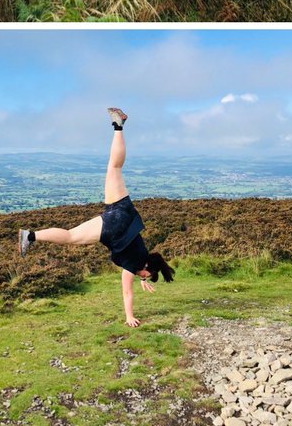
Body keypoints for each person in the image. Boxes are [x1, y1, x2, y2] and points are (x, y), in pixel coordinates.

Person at [18, 108, 175, 327]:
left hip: (124, 210)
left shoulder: (144, 255)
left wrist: (143, 276)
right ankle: (30, 236)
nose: (143, 277)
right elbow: (127, 293)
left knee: (115, 167)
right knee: (71, 236)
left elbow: (144, 265)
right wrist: (129, 316)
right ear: (147, 269)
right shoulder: (133, 264)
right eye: (146, 276)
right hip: (114, 226)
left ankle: (118, 125)